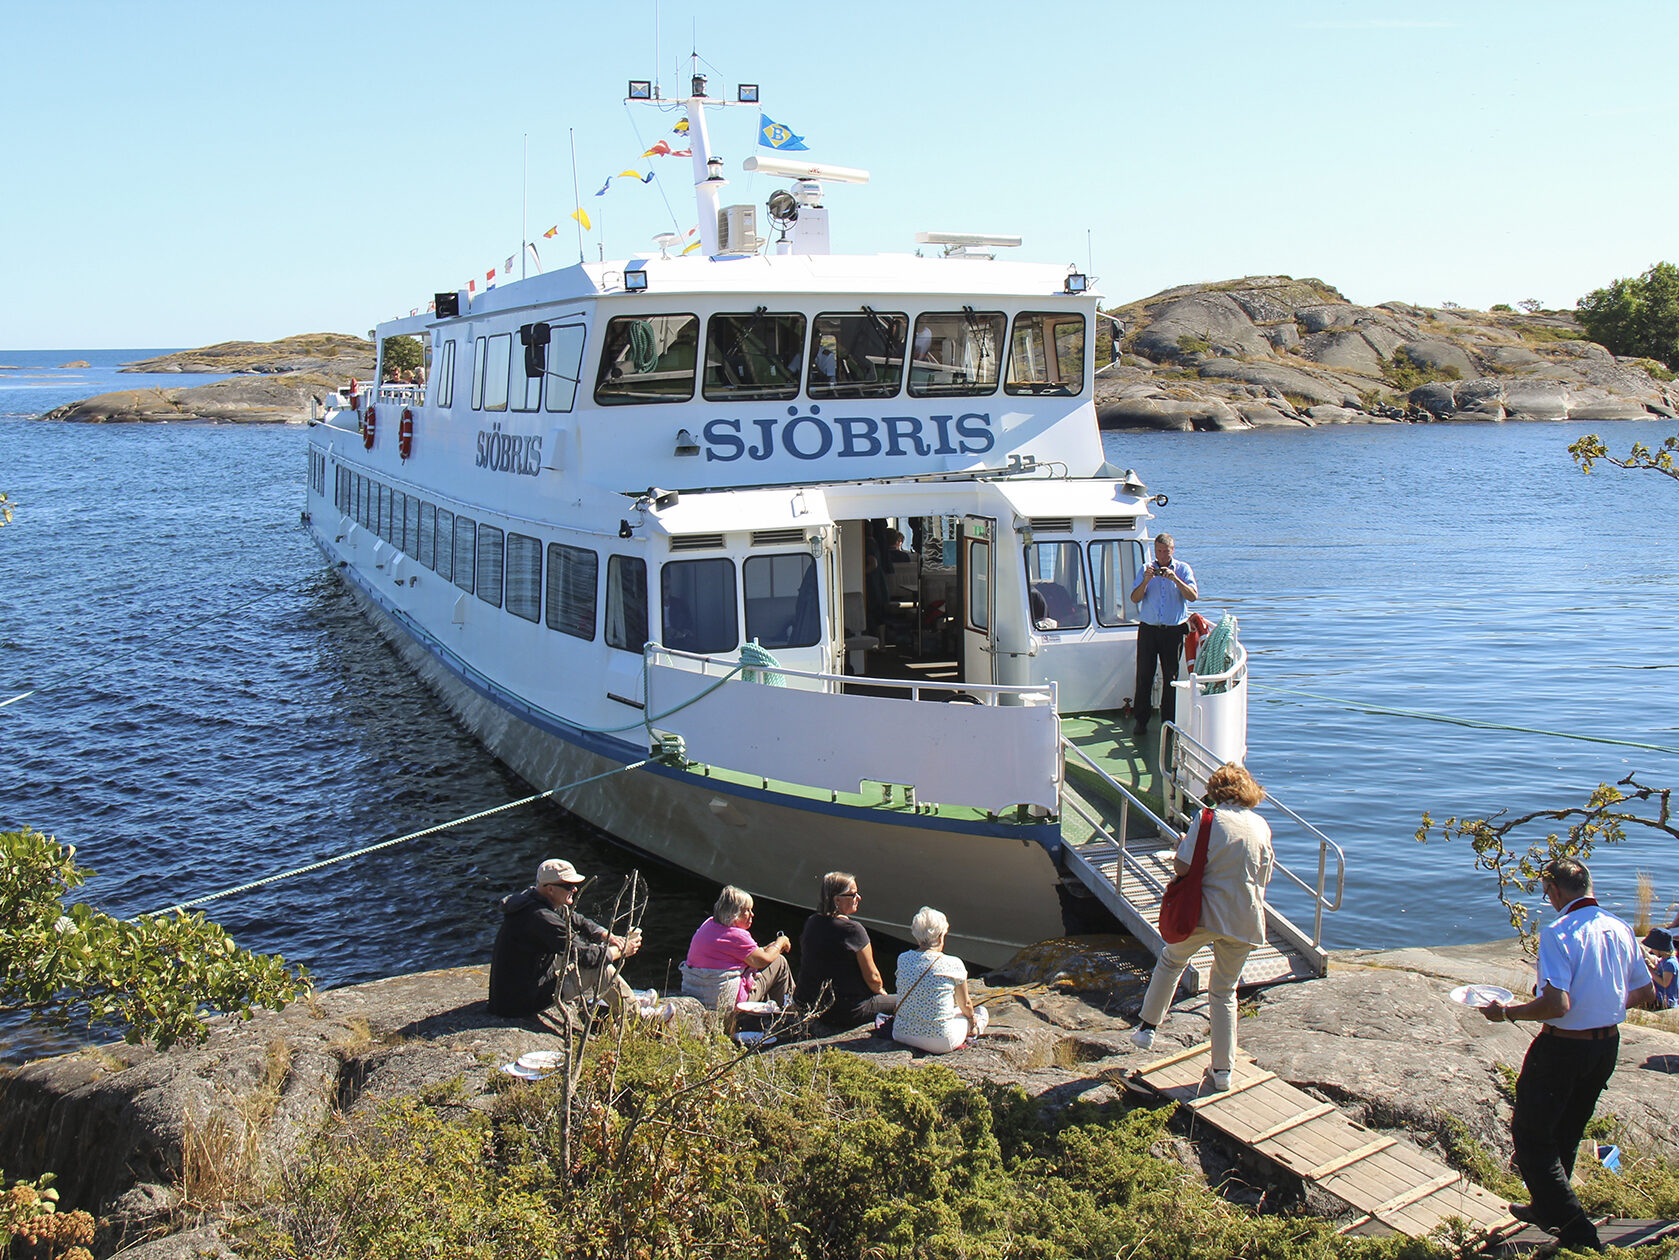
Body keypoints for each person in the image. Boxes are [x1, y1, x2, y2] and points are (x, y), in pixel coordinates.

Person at [1481, 857, 1656, 1252]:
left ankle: (1577, 1230)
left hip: (1563, 1047)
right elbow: (1645, 993)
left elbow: (1557, 1005)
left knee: (1531, 1135)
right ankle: (1547, 1208)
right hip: (1605, 1045)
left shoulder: (1559, 933)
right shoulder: (1620, 928)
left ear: (1555, 890)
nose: (1550, 900)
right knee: (1568, 1129)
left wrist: (1506, 1014)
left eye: (1547, 894)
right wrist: (1603, 1004)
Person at [1130, 762, 1273, 1093]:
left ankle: (1147, 1028)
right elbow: (1264, 875)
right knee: (1224, 991)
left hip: (1204, 914)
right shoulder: (1261, 825)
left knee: (1171, 960)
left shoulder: (1208, 819)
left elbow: (1182, 866)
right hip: (1245, 917)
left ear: (1216, 790)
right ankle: (1222, 1071)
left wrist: (1183, 844)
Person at [487, 858, 642, 1018]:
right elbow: (587, 956)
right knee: (599, 967)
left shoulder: (533, 899)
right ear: (550, 889)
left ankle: (629, 1001)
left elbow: (578, 920)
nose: (574, 889)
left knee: (589, 950)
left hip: (513, 992)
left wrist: (606, 936)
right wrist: (622, 950)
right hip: (520, 1003)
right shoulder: (540, 917)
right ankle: (636, 1016)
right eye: (569, 885)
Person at [794, 872, 897, 1030]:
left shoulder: (812, 922)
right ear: (837, 900)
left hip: (811, 1004)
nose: (859, 898)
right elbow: (873, 977)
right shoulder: (853, 930)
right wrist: (882, 993)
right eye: (853, 894)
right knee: (905, 1001)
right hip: (846, 1011)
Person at [1128, 532, 1198, 739]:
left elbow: (1193, 597)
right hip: (1149, 629)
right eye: (1158, 551)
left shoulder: (1183, 569)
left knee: (1171, 677)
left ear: (1172, 551)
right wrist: (1147, 580)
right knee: (1144, 675)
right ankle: (1141, 720)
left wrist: (1175, 579)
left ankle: (1169, 722)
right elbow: (1135, 598)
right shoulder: (1146, 569)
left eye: (1165, 552)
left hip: (1173, 631)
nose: (1162, 556)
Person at [681, 885, 794, 1010]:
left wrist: (770, 947)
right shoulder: (736, 935)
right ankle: (787, 1012)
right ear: (733, 914)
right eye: (747, 910)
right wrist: (780, 942)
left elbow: (751, 954)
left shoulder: (708, 925)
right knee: (779, 962)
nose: (752, 914)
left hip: (698, 993)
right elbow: (762, 960)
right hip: (725, 1002)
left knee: (766, 964)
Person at [892, 907, 989, 1054]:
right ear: (940, 937)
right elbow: (966, 1004)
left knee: (954, 1011)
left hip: (900, 1034)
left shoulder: (903, 959)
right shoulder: (953, 963)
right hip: (940, 1041)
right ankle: (975, 1030)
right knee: (981, 1011)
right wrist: (972, 1019)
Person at [1645, 928, 1678, 1009]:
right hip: (1660, 998)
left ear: (1660, 948)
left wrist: (1650, 971)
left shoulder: (1670, 963)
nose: (1651, 950)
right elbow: (1660, 972)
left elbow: (1664, 983)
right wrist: (1651, 966)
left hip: (1666, 1001)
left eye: (1653, 948)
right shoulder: (1664, 960)